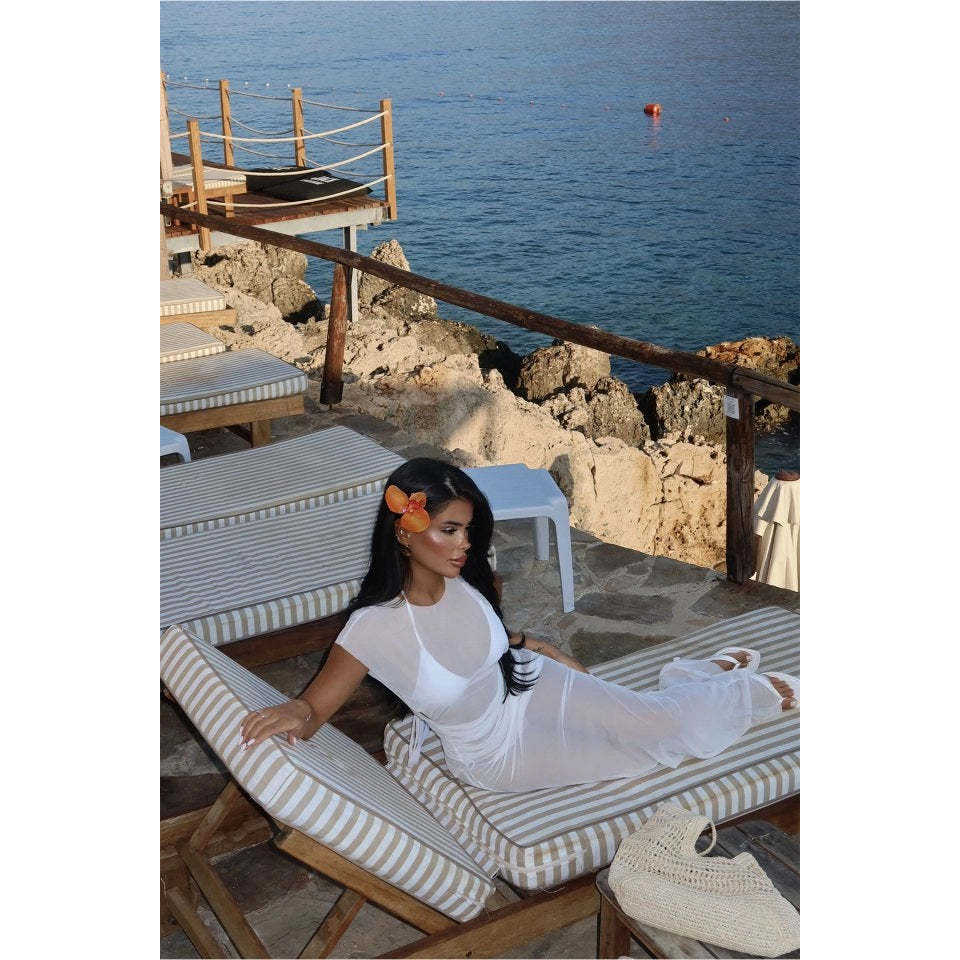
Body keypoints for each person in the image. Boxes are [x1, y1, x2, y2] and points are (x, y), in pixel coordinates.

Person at [240, 458, 798, 793]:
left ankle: (710, 683)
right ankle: (719, 686)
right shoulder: (372, 628)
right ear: (404, 532)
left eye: (468, 530)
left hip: (530, 681)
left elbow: (489, 644)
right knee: (645, 751)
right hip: (498, 755)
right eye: (450, 530)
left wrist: (543, 649)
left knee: (652, 721)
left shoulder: (467, 579)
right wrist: (290, 714)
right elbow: (312, 710)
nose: (465, 544)